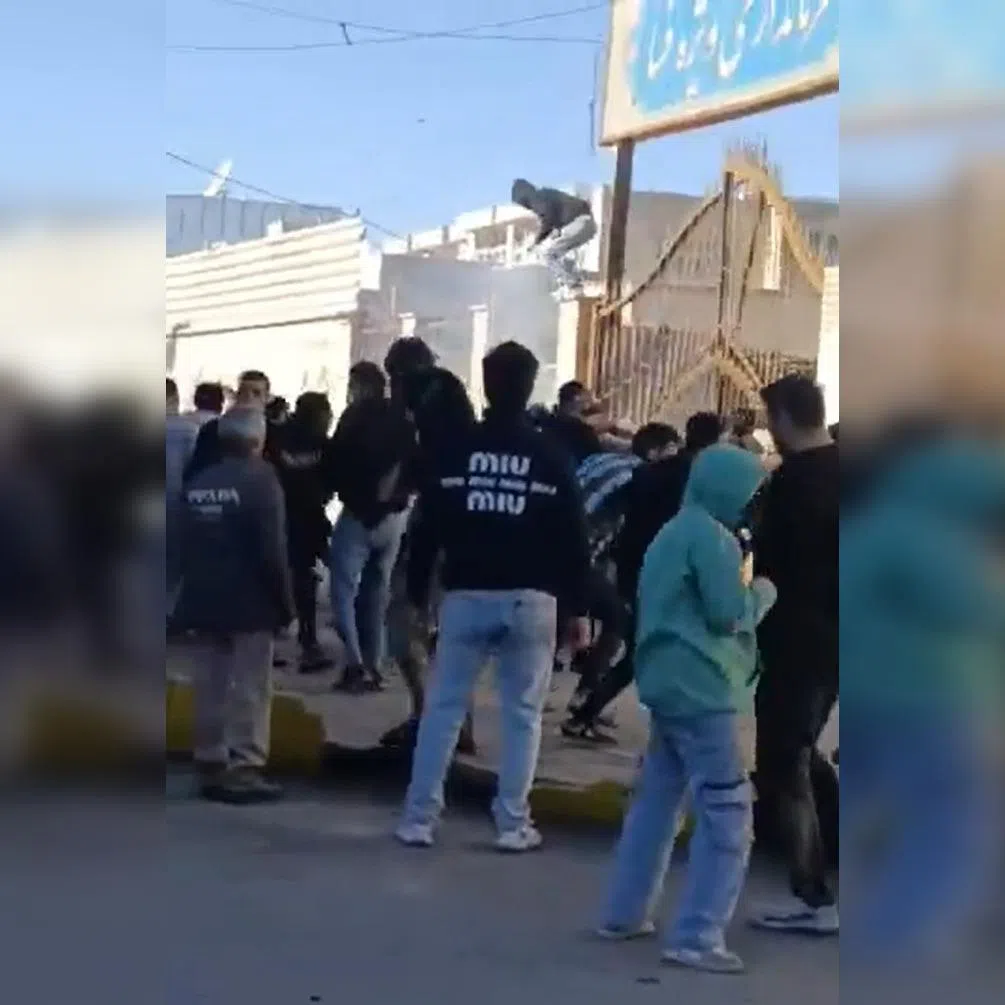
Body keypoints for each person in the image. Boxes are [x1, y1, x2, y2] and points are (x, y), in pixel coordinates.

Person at [396, 341, 593, 852]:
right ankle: (512, 824)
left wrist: (418, 595)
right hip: (533, 600)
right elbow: (573, 537)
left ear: (485, 384)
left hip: (466, 595)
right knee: (522, 715)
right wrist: (578, 608)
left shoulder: (455, 449)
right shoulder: (550, 455)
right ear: (530, 387)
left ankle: (419, 819)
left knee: (442, 708)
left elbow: (427, 529)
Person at [597, 444, 775, 974]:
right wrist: (763, 593)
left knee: (656, 803)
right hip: (706, 689)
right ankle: (698, 935)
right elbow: (727, 614)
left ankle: (623, 913)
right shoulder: (715, 541)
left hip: (666, 685)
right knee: (727, 814)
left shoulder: (672, 532)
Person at [562, 412, 723, 740]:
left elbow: (629, 521)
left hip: (632, 566)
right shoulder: (700, 481)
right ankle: (587, 712)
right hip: (669, 573)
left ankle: (587, 706)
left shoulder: (650, 472)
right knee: (647, 648)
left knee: (637, 641)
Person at [748, 374, 840, 934]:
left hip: (797, 639)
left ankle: (812, 895)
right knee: (801, 752)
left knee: (783, 761)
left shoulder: (789, 485)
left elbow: (767, 567)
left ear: (782, 418)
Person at [174, 407, 295, 804]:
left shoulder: (197, 483)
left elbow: (178, 547)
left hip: (203, 599)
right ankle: (244, 766)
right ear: (259, 441)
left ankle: (209, 759)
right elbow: (272, 551)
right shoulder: (262, 482)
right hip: (250, 604)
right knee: (250, 686)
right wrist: (285, 604)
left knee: (210, 684)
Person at [327, 362, 416, 693]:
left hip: (358, 516)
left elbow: (335, 460)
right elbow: (412, 462)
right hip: (394, 519)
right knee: (377, 594)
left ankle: (355, 664)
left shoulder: (354, 418)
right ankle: (375, 665)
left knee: (343, 593)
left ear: (361, 386)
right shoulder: (403, 418)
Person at [273, 391, 336, 673]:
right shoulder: (321, 442)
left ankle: (299, 639)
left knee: (294, 577)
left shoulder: (281, 437)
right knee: (303, 579)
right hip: (306, 517)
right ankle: (307, 641)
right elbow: (331, 479)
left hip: (290, 516)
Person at [185, 370, 274, 482]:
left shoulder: (276, 432)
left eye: (256, 393)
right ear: (236, 396)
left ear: (267, 398)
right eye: (242, 392)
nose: (248, 398)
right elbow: (198, 471)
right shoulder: (212, 429)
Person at [511, 179, 597, 296]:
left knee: (549, 255)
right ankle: (580, 279)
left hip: (579, 223)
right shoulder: (547, 194)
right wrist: (557, 230)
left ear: (524, 198)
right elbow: (558, 213)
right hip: (588, 224)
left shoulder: (536, 197)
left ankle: (574, 286)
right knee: (562, 255)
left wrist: (537, 241)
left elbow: (548, 218)